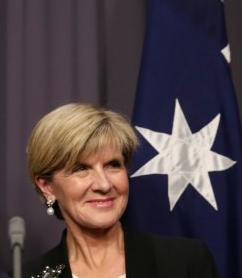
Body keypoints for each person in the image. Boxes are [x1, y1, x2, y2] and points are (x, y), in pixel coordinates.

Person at [21, 103, 219, 278]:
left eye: (113, 165)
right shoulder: (28, 276)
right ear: (47, 186)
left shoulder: (184, 261)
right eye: (81, 168)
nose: (104, 184)